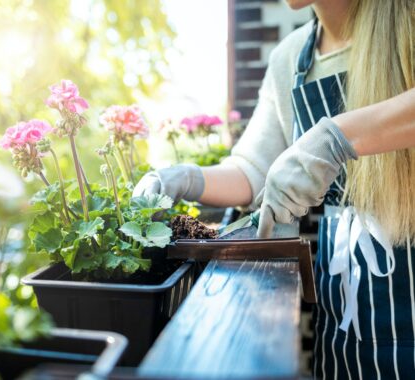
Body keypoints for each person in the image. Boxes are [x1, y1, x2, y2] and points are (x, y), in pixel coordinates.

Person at [133, 0, 415, 378]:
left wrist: (338, 138)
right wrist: (184, 178)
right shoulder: (290, 58)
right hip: (346, 323)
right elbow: (252, 170)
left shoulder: (407, 23)